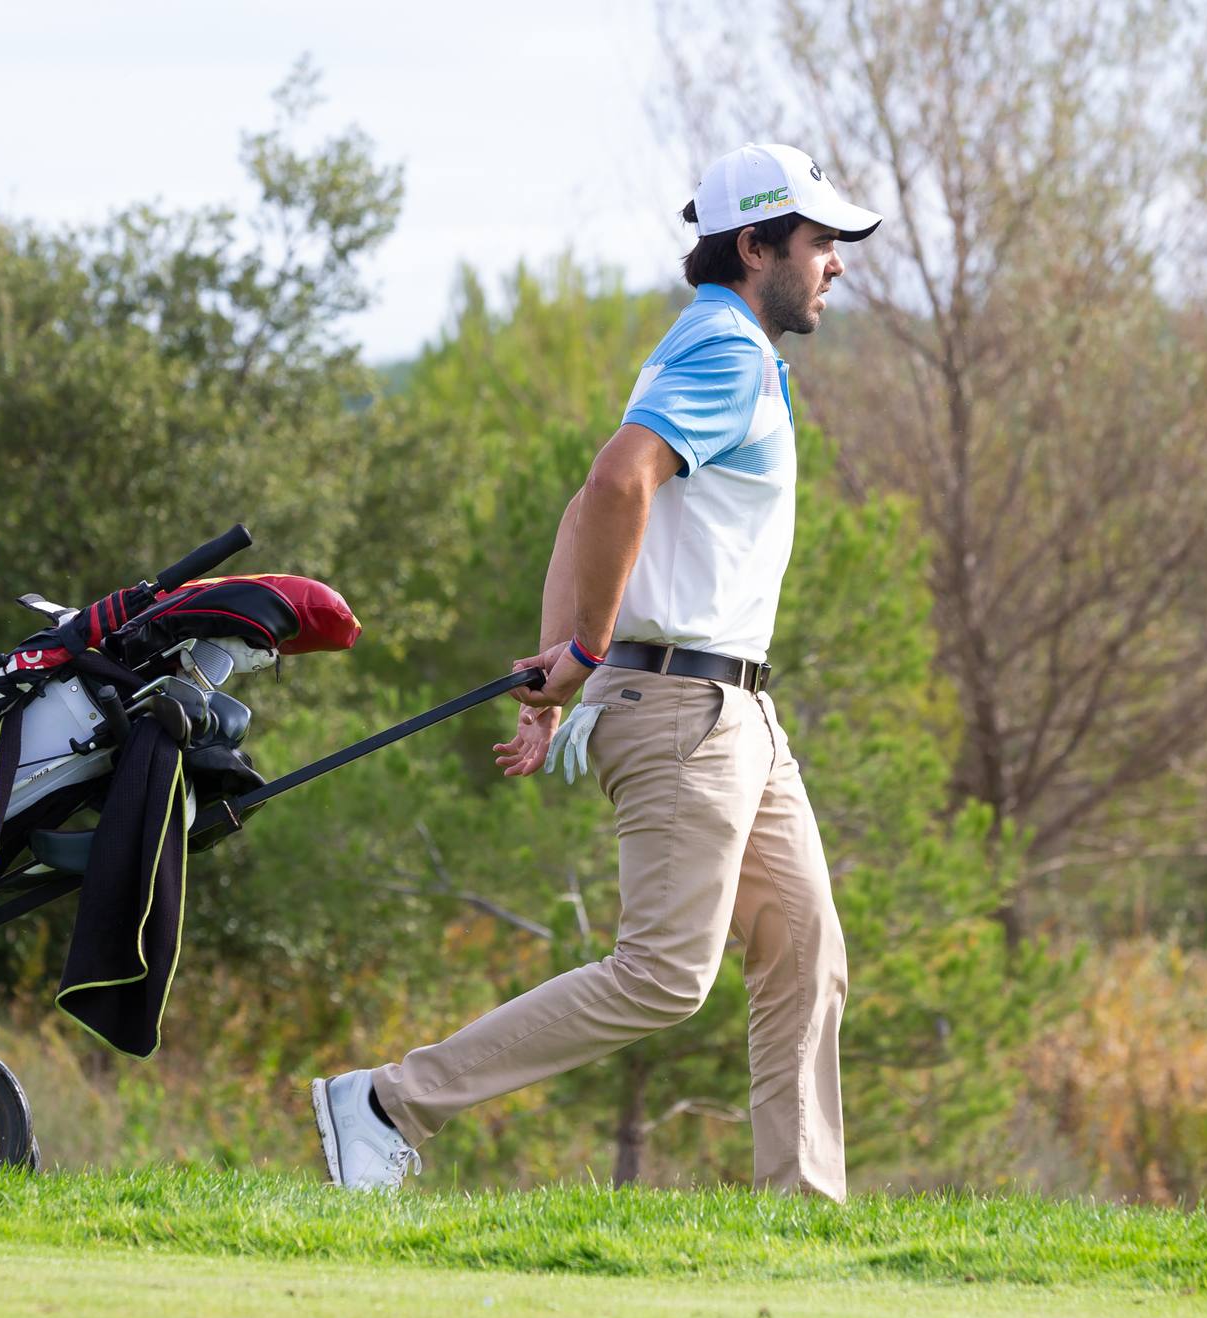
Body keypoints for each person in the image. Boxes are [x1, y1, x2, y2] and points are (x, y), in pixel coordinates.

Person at [311, 143, 881, 1201]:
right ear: (755, 246)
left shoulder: (705, 345)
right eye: (818, 242)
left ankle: (801, 1214)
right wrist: (578, 652)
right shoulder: (725, 352)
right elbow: (616, 481)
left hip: (733, 712)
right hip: (684, 707)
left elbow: (589, 503)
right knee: (665, 975)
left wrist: (558, 668)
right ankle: (392, 1100)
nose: (835, 263)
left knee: (806, 950)